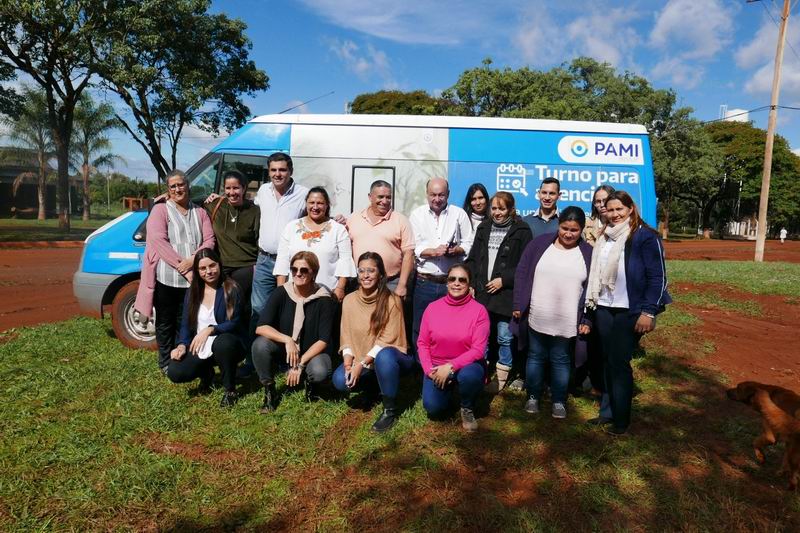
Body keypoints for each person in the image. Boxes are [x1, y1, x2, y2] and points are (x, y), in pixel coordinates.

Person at [584, 191, 671, 435]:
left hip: (629, 311)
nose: (614, 214)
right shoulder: (604, 237)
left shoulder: (644, 237)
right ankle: (606, 413)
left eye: (619, 209)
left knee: (619, 362)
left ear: (630, 208)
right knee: (606, 361)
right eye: (609, 210)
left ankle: (620, 421)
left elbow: (657, 278)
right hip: (603, 307)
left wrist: (649, 312)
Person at [511, 207, 593, 419]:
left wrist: (586, 318)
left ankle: (558, 399)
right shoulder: (539, 244)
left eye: (574, 230)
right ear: (559, 225)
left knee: (561, 358)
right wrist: (519, 304)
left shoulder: (587, 253)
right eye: (565, 228)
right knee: (535, 356)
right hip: (537, 315)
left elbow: (593, 289)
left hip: (567, 320)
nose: (568, 233)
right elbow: (521, 272)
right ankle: (533, 396)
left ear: (581, 229)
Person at [135, 170, 215, 373]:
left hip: (194, 278)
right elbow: (158, 241)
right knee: (165, 322)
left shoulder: (201, 212)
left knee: (187, 320)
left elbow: (209, 241)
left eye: (181, 184)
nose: (178, 189)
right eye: (173, 186)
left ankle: (184, 357)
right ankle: (164, 362)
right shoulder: (161, 211)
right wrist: (183, 266)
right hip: (167, 277)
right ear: (168, 191)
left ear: (188, 186)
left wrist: (192, 261)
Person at [332, 252, 416, 432]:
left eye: (371, 270)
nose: (366, 275)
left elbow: (388, 339)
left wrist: (361, 364)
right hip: (361, 359)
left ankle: (389, 410)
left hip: (392, 357)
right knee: (340, 380)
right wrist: (348, 363)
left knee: (384, 357)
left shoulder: (392, 300)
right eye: (361, 271)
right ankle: (373, 387)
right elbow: (346, 335)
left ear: (380, 274)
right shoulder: (349, 300)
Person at [252, 251, 336, 413]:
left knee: (319, 372)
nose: (298, 273)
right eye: (294, 269)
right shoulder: (281, 292)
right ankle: (269, 390)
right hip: (287, 349)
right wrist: (287, 340)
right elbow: (261, 327)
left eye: (304, 270)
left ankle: (310, 382)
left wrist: (300, 364)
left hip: (311, 352)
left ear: (314, 273)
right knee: (260, 345)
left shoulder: (324, 299)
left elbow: (323, 340)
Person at [465, 192, 531, 392]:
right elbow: (474, 258)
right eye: (494, 208)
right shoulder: (483, 227)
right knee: (482, 337)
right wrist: (470, 283)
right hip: (483, 294)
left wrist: (505, 280)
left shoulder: (522, 230)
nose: (497, 213)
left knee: (504, 336)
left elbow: (525, 265)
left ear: (511, 209)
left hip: (505, 294)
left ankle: (501, 378)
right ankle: (480, 373)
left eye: (502, 209)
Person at [166, 248, 246, 407]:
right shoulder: (193, 292)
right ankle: (206, 373)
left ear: (219, 264)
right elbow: (186, 324)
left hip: (229, 342)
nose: (208, 271)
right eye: (203, 268)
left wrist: (211, 329)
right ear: (197, 270)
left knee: (223, 344)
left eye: (212, 266)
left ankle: (230, 390)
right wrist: (182, 345)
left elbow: (235, 322)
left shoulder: (232, 288)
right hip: (201, 345)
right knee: (175, 371)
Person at [418, 263, 489, 432]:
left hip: (467, 366)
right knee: (433, 409)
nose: (456, 283)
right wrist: (429, 370)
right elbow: (422, 343)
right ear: (447, 282)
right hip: (436, 366)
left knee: (469, 377)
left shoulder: (479, 311)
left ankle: (467, 406)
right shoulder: (432, 308)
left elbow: (478, 350)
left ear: (469, 284)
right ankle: (448, 390)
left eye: (462, 280)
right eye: (452, 279)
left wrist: (450, 367)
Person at [410, 177, 474, 348]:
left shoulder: (459, 214)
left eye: (441, 195)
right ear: (426, 194)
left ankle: (448, 366)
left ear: (448, 195)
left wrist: (457, 250)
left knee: (451, 327)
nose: (437, 199)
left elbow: (469, 243)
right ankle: (422, 368)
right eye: (433, 195)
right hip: (424, 282)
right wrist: (433, 251)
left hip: (451, 282)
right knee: (420, 326)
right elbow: (414, 247)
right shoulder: (417, 214)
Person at [251, 152, 309, 334]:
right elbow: (247, 204)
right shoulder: (263, 191)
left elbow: (317, 214)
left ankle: (285, 353)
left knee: (288, 307)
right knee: (259, 308)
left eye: (282, 170)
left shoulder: (303, 193)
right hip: (264, 260)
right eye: (273, 170)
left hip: (290, 263)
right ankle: (256, 356)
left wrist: (336, 219)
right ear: (268, 172)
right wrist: (218, 198)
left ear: (290, 171)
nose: (278, 174)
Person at [273, 187, 355, 300]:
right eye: (311, 202)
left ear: (327, 205)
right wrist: (281, 290)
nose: (315, 207)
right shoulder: (291, 227)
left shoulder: (338, 230)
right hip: (294, 294)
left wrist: (340, 288)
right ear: (306, 204)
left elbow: (345, 261)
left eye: (320, 203)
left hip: (326, 293)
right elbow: (282, 260)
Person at [347, 180, 416, 298]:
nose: (384, 201)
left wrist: (402, 285)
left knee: (390, 316)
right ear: (370, 197)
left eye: (388, 197)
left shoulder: (401, 220)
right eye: (380, 197)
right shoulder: (354, 218)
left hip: (391, 283)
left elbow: (409, 254)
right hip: (360, 283)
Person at [204, 169, 259, 307]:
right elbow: (188, 205)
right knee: (220, 305)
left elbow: (259, 239)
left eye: (236, 188)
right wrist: (168, 196)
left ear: (244, 188)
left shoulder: (254, 210)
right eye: (228, 188)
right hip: (221, 266)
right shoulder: (215, 205)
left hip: (246, 265)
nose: (232, 192)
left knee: (235, 303)